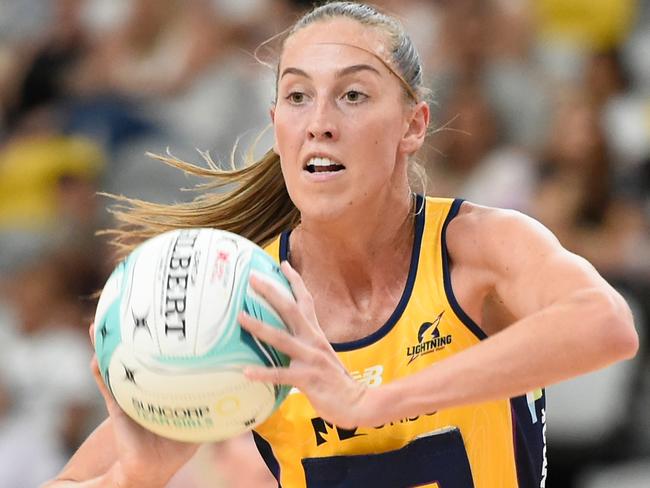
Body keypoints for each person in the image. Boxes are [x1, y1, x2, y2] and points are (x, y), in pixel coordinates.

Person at [44, 2, 639, 487]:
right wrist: (133, 478)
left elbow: (607, 324)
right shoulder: (239, 300)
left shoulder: (475, 245)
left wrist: (371, 401)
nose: (319, 121)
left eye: (353, 95)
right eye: (298, 97)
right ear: (276, 124)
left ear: (414, 124)